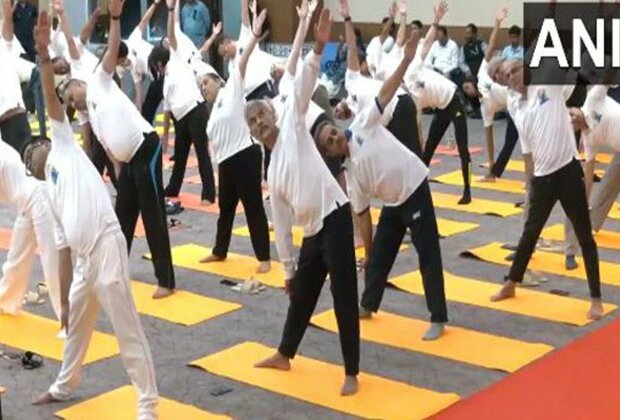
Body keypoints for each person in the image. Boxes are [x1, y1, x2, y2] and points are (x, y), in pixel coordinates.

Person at [27, 10, 158, 417]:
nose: (32, 154)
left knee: (127, 328)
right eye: (28, 156)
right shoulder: (48, 191)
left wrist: (45, 56)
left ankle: (147, 402)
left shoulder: (64, 145)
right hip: (83, 262)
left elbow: (51, 98)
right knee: (74, 329)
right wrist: (64, 301)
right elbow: (62, 251)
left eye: (35, 147)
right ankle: (65, 385)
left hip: (105, 243)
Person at [316, 0, 448, 340]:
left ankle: (438, 317)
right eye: (329, 139)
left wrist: (404, 59)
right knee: (381, 255)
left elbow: (386, 90)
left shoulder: (361, 122)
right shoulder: (353, 181)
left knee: (428, 252)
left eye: (331, 131)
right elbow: (362, 217)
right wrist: (368, 249)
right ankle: (368, 302)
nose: (334, 134)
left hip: (413, 185)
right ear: (330, 154)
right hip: (391, 202)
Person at [249, 7, 360, 396]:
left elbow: (304, 76)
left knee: (344, 295)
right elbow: (279, 224)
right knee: (300, 297)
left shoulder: (295, 124)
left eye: (261, 115)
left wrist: (317, 42)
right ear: (252, 134)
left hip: (336, 216)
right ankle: (284, 353)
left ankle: (351, 372)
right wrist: (288, 271)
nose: (260, 122)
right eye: (254, 122)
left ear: (271, 114)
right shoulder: (271, 172)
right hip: (313, 231)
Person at [60, 0, 176, 299]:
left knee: (152, 214)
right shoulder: (91, 118)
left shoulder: (98, 81)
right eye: (69, 103)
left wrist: (114, 18)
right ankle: (115, 269)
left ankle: (166, 280)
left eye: (71, 94)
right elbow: (110, 150)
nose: (73, 101)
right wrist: (121, 173)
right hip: (128, 162)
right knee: (121, 216)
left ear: (79, 84)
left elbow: (112, 48)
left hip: (145, 148)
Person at [490, 58, 603, 320]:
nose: (511, 78)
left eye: (514, 71)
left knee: (584, 235)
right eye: (506, 75)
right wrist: (529, 184)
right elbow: (527, 150)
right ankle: (511, 283)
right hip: (542, 178)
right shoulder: (515, 106)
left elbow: (561, 52)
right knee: (529, 234)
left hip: (567, 171)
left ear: (525, 69)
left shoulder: (546, 83)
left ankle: (595, 299)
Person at [198, 8, 271, 273]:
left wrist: (253, 34)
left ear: (217, 80)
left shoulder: (232, 89)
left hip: (245, 154)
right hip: (227, 162)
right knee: (225, 210)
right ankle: (219, 251)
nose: (203, 88)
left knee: (252, 207)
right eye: (201, 87)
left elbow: (242, 60)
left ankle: (264, 257)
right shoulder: (211, 115)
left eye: (206, 83)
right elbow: (214, 148)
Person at [405, 0, 472, 204]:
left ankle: (467, 191)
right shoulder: (411, 100)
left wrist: (436, 20)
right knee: (428, 150)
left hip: (454, 99)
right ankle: (419, 191)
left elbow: (426, 44)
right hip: (442, 108)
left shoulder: (412, 70)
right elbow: (418, 129)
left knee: (462, 147)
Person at [159, 0, 216, 205]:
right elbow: (166, 109)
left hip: (195, 108)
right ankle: (173, 188)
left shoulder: (179, 52)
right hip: (180, 116)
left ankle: (209, 193)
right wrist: (165, 136)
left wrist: (171, 9)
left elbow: (172, 31)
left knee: (202, 152)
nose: (166, 42)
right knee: (180, 155)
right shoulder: (168, 73)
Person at [0, 135, 60, 321]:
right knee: (18, 255)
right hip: (27, 199)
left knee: (52, 263)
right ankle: (6, 301)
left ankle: (71, 322)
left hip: (39, 196)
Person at [563, 86, 620, 270]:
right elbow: (588, 177)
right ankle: (575, 244)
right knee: (601, 190)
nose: (573, 118)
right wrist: (582, 202)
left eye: (572, 113)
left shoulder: (593, 98)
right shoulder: (589, 141)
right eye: (571, 121)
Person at [461, 8, 517, 182]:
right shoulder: (485, 107)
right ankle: (494, 172)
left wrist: (498, 23)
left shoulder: (481, 73)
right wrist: (490, 162)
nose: (467, 87)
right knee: (512, 141)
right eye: (466, 90)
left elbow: (491, 46)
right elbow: (489, 138)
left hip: (519, 92)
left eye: (467, 86)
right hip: (515, 107)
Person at [0, 0, 32, 153]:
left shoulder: (3, 47)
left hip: (16, 118)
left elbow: (7, 17)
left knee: (26, 170)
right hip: (4, 124)